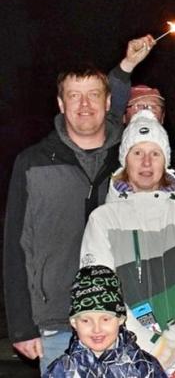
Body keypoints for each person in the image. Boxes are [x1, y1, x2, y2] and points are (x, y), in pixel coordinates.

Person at [5, 57, 132, 370]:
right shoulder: (32, 162)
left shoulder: (130, 161)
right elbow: (15, 247)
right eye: (74, 95)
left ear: (108, 102)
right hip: (56, 325)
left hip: (125, 321)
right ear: (61, 104)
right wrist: (21, 326)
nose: (84, 104)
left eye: (93, 95)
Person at [78, 110, 175, 371]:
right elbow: (100, 295)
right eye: (137, 153)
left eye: (155, 153)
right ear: (125, 160)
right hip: (126, 360)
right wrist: (152, 346)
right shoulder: (103, 220)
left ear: (165, 160)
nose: (146, 162)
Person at [45, 265, 166, 377]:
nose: (96, 329)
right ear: (74, 323)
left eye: (105, 319)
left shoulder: (145, 367)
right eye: (86, 321)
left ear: (120, 319)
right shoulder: (61, 372)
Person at [119, 85, 175, 199]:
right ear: (123, 116)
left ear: (162, 117)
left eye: (153, 107)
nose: (146, 111)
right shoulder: (108, 162)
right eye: (138, 106)